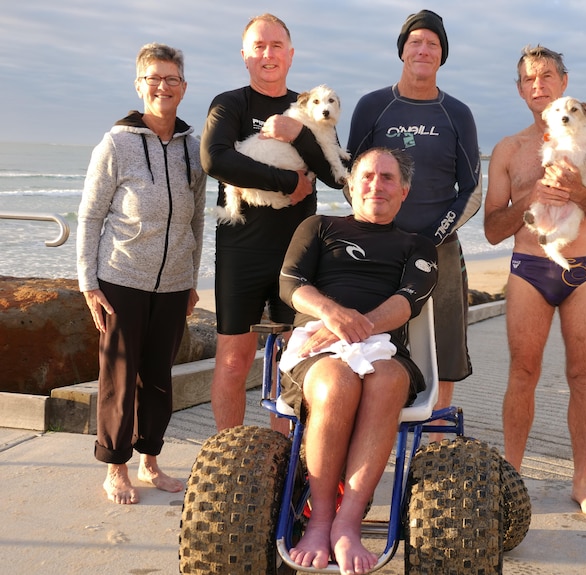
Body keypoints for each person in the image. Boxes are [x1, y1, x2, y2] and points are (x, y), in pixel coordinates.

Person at [484, 45, 586, 519]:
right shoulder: (510, 149)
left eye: (547, 76)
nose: (539, 85)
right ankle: (512, 478)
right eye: (529, 79)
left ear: (564, 82)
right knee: (522, 374)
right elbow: (492, 230)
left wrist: (579, 192)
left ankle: (582, 482)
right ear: (521, 90)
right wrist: (532, 191)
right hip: (530, 268)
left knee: (582, 376)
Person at [278, 147, 437, 573]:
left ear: (403, 191)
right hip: (317, 344)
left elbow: (408, 302)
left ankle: (348, 523)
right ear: (351, 185)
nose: (376, 184)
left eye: (388, 178)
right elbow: (290, 283)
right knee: (337, 382)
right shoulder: (319, 226)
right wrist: (332, 314)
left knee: (385, 382)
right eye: (367, 175)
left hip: (384, 349)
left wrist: (355, 325)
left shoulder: (417, 245)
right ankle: (321, 518)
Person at [201, 13, 344, 434]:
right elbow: (215, 159)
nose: (268, 54)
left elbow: (332, 170)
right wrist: (286, 181)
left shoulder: (312, 105)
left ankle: (284, 463)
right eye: (259, 46)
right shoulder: (229, 103)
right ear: (245, 55)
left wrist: (298, 136)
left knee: (294, 360)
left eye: (277, 46)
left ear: (291, 54)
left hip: (297, 252)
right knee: (233, 360)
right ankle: (231, 456)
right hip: (240, 249)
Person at [77, 43, 207, 504]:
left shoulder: (195, 148)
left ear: (184, 88)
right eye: (154, 78)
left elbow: (196, 219)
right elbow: (91, 216)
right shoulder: (116, 142)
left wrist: (192, 279)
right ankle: (116, 467)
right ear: (139, 84)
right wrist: (88, 283)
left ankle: (150, 461)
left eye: (172, 79)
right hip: (120, 278)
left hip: (173, 284)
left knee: (157, 376)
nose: (163, 86)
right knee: (117, 375)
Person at [346, 10, 481, 432]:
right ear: (402, 50)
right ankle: (366, 430)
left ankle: (435, 438)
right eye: (416, 42)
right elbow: (352, 177)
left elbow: (473, 191)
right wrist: (379, 232)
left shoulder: (456, 113)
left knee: (443, 347)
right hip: (379, 249)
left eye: (433, 44)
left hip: (439, 248)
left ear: (442, 55)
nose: (423, 50)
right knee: (367, 340)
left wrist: (430, 237)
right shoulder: (373, 106)